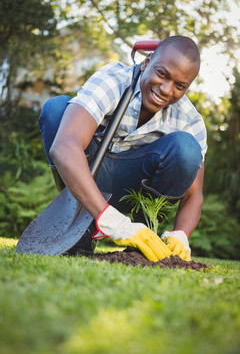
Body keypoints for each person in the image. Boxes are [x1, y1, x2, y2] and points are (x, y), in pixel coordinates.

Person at [39, 35, 207, 262]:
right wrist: (111, 221)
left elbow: (194, 195)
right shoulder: (114, 80)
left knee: (187, 148)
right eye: (162, 74)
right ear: (147, 63)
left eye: (180, 86)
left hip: (135, 188)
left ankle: (143, 237)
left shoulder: (190, 121)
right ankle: (82, 221)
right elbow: (64, 147)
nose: (167, 90)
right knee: (56, 110)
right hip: (87, 174)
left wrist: (181, 234)